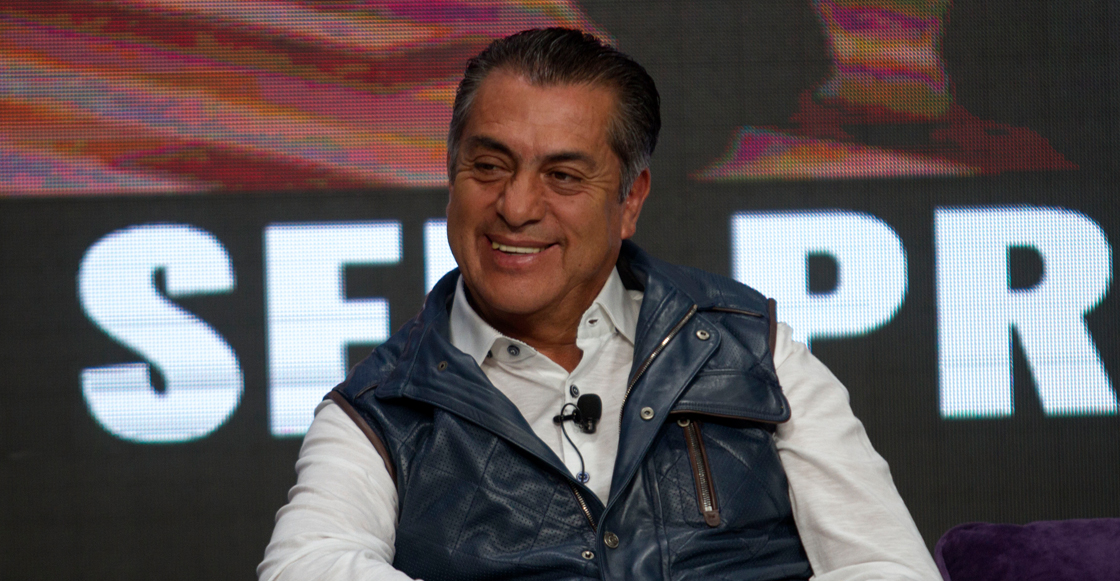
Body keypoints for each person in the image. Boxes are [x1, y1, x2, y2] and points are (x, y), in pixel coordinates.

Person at [259, 28, 941, 580]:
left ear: (630, 200)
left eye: (562, 176)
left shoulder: (750, 349)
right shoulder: (379, 409)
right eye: (489, 166)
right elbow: (303, 565)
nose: (516, 207)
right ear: (451, 171)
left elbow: (887, 566)